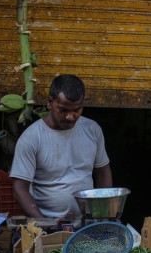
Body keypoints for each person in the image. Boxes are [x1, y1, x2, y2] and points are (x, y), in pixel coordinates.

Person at [10, 74, 112, 221]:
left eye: (77, 110)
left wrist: (103, 213)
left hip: (88, 222)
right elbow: (20, 189)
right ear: (50, 102)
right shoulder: (32, 138)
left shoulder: (92, 130)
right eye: (63, 110)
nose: (70, 116)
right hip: (49, 224)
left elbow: (103, 173)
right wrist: (44, 223)